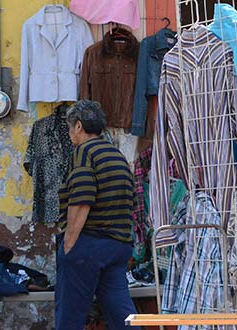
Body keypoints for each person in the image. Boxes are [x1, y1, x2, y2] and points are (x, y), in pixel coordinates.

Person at [55, 100, 140, 330]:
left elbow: (82, 199)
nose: (70, 133)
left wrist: (69, 244)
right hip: (118, 246)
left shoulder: (83, 152)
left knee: (70, 315)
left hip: (89, 245)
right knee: (119, 309)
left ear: (79, 126)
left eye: (70, 127)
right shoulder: (117, 155)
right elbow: (132, 201)